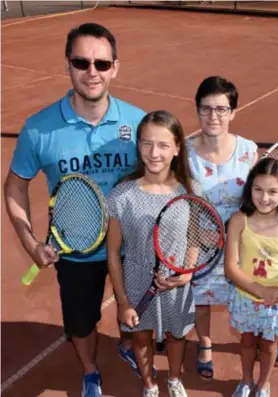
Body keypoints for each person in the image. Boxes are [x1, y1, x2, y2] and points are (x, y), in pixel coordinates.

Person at [4, 23, 148, 397]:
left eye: (102, 63)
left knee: (137, 313)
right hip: (76, 249)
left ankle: (128, 342)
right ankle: (89, 371)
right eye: (81, 62)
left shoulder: (138, 123)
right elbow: (15, 186)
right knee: (81, 324)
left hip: (130, 246)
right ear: (67, 65)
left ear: (116, 67)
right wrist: (30, 242)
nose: (92, 72)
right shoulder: (39, 129)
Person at [185, 76, 278, 381]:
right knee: (203, 297)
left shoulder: (248, 150)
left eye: (221, 109)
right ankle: (205, 344)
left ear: (233, 112)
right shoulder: (184, 153)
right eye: (206, 108)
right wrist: (194, 235)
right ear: (197, 110)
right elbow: (180, 199)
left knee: (248, 295)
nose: (213, 116)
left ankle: (267, 338)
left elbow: (266, 191)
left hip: (247, 239)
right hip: (203, 240)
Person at [106, 110, 200, 397]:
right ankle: (149, 384)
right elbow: (112, 254)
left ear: (176, 148)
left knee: (176, 335)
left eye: (162, 144)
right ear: (138, 146)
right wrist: (122, 302)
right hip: (136, 281)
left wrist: (187, 272)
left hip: (176, 283)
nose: (154, 152)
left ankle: (174, 379)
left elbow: (193, 237)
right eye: (147, 143)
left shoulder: (189, 191)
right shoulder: (121, 195)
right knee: (141, 337)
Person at [225, 157, 278, 397]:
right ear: (249, 188)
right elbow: (231, 268)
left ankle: (263, 385)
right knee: (248, 342)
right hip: (246, 297)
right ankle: (247, 381)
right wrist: (262, 292)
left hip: (277, 302)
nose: (264, 197)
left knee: (270, 345)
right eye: (258, 189)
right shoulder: (239, 221)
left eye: (273, 191)